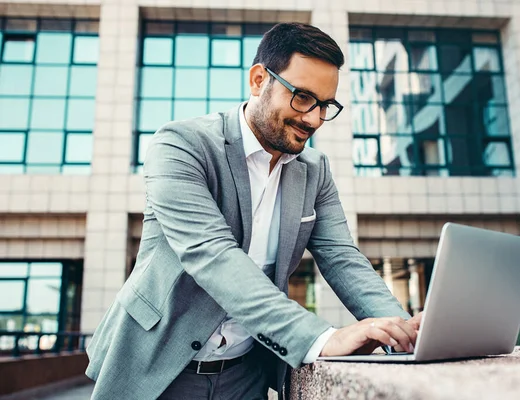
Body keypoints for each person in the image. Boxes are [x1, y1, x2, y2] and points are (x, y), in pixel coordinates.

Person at [85, 22, 422, 400]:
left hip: (247, 375)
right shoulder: (181, 145)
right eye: (302, 97)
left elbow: (343, 259)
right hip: (159, 367)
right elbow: (213, 256)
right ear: (259, 79)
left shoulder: (316, 170)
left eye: (325, 105)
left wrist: (404, 331)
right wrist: (320, 339)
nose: (312, 118)